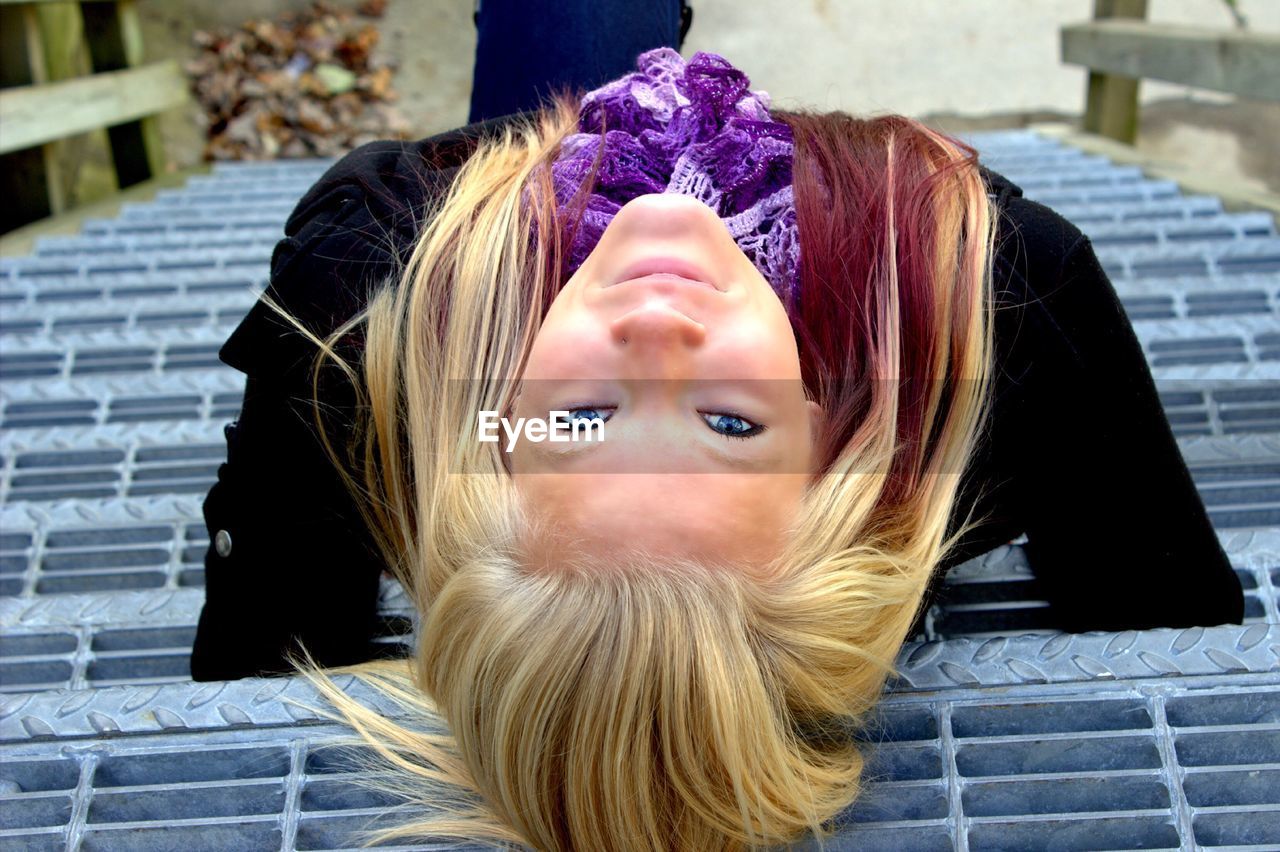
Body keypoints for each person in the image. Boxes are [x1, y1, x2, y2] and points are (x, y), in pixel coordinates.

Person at [189, 15, 1244, 852]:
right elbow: (1167, 613)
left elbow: (269, 639)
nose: (654, 334)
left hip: (515, 223)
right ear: (837, 465)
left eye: (583, 419)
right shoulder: (998, 307)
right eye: (729, 422)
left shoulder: (364, 297)